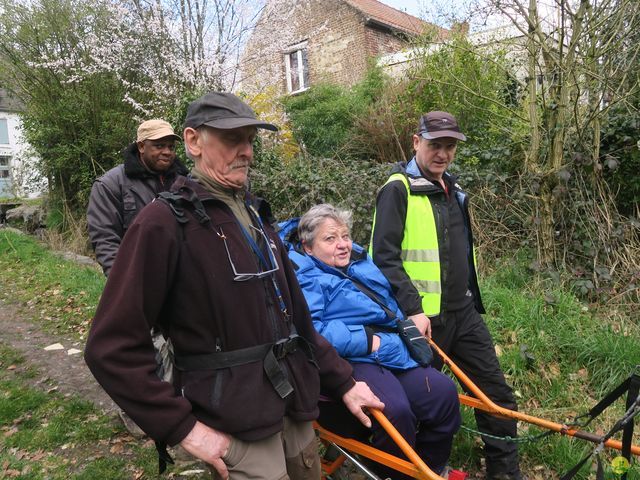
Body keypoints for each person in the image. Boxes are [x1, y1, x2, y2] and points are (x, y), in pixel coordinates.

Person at [84, 92, 384, 480]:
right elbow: (110, 347)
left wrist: (344, 381)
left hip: (293, 409)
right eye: (232, 139)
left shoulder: (257, 217)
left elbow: (298, 320)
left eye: (250, 141)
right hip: (237, 425)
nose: (246, 152)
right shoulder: (162, 224)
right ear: (193, 142)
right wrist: (183, 428)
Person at [369, 111, 522, 480]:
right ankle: (416, 469)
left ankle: (503, 471)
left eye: (449, 146)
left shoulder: (451, 189)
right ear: (416, 142)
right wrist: (412, 309)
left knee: (495, 395)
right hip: (423, 323)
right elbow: (382, 257)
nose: (442, 153)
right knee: (420, 402)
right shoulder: (397, 189)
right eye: (435, 145)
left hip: (463, 313)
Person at [279, 204, 461, 477]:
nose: (342, 245)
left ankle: (431, 468)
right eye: (330, 239)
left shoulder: (360, 262)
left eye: (345, 236)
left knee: (443, 393)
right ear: (307, 247)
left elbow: (388, 303)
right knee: (394, 410)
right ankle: (395, 474)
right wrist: (367, 340)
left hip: (390, 348)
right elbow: (311, 331)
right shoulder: (304, 278)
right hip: (349, 360)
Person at [87, 119, 188, 276]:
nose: (167, 151)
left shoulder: (185, 182)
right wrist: (124, 283)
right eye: (159, 145)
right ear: (141, 146)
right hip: (139, 277)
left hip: (184, 281)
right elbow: (105, 240)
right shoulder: (110, 185)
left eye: (171, 146)